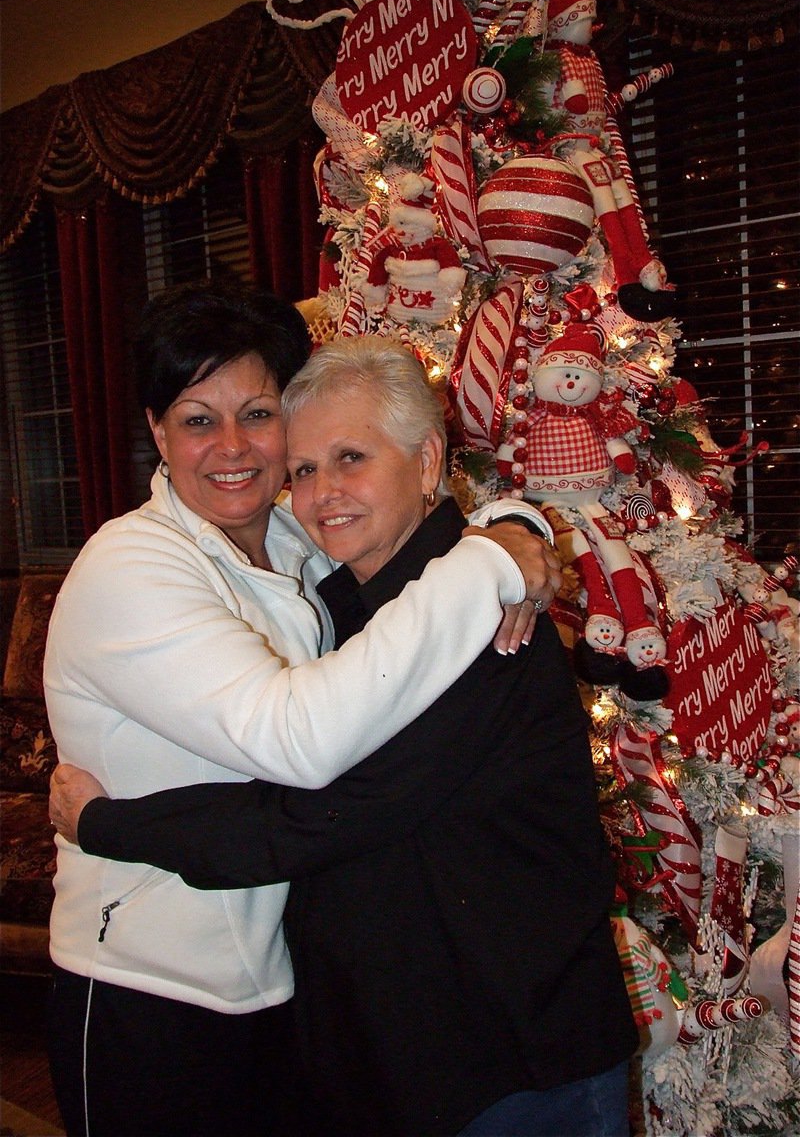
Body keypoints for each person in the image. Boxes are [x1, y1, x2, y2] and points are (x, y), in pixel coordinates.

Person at [51, 334, 638, 1137]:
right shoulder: (355, 595)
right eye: (303, 469)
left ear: (427, 463)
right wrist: (507, 531)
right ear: (157, 431)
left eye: (352, 457)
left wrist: (102, 823)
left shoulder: (477, 629)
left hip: (510, 1063)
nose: (322, 494)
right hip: (399, 1053)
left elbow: (316, 813)